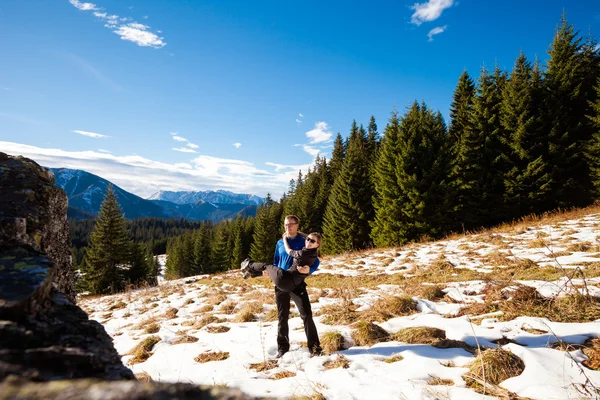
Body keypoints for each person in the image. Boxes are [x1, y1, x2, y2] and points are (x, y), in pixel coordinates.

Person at [241, 215, 322, 358]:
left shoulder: (305, 241)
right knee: (282, 317)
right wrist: (270, 274)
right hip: (281, 282)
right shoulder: (279, 243)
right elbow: (276, 261)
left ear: (297, 225)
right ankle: (282, 349)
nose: (288, 227)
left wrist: (310, 270)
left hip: (297, 284)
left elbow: (315, 260)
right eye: (286, 225)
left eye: (291, 224)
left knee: (307, 315)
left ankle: (315, 348)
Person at [240, 231, 321, 292]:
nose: (309, 241)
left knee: (266, 266)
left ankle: (249, 265)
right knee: (272, 271)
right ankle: (254, 273)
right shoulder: (314, 252)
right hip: (292, 284)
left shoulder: (302, 253)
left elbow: (288, 250)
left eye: (312, 241)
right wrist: (298, 232)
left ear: (317, 244)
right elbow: (311, 238)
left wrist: (285, 238)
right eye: (308, 239)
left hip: (285, 279)